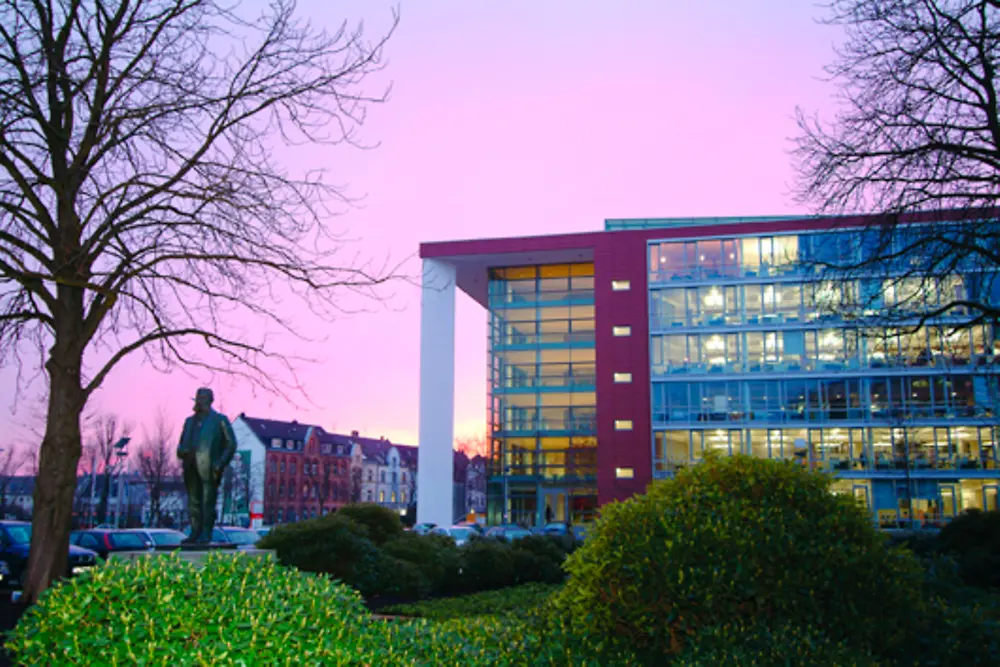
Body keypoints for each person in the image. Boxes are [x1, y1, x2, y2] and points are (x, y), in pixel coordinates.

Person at [177, 387, 237, 544]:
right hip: (190, 466)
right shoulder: (189, 422)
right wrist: (181, 450)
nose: (199, 401)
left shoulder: (219, 420)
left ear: (210, 400)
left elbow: (231, 444)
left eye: (203, 398)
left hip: (210, 467)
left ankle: (206, 533)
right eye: (198, 398)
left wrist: (221, 463)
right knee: (193, 502)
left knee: (207, 501)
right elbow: (182, 442)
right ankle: (195, 531)